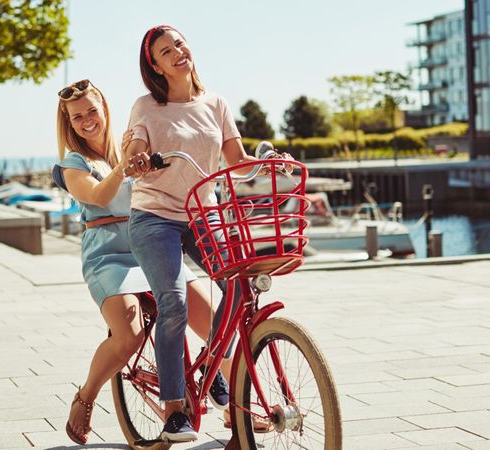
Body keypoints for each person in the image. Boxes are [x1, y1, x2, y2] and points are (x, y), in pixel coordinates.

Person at [124, 25, 290, 440]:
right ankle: (175, 410)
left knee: (239, 283)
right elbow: (133, 151)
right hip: (155, 216)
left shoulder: (216, 102)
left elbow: (238, 159)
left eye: (179, 43)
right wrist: (139, 159)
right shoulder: (146, 105)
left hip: (204, 212)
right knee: (174, 303)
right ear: (155, 66)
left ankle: (214, 360)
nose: (178, 52)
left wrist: (269, 162)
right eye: (166, 51)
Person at [53, 79, 220, 445]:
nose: (87, 120)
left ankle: (223, 389)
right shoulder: (73, 164)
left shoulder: (134, 142)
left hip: (154, 242)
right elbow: (97, 195)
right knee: (128, 333)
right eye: (77, 117)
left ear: (105, 109)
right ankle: (87, 395)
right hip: (110, 255)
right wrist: (124, 168)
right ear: (68, 123)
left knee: (212, 320)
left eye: (92, 111)